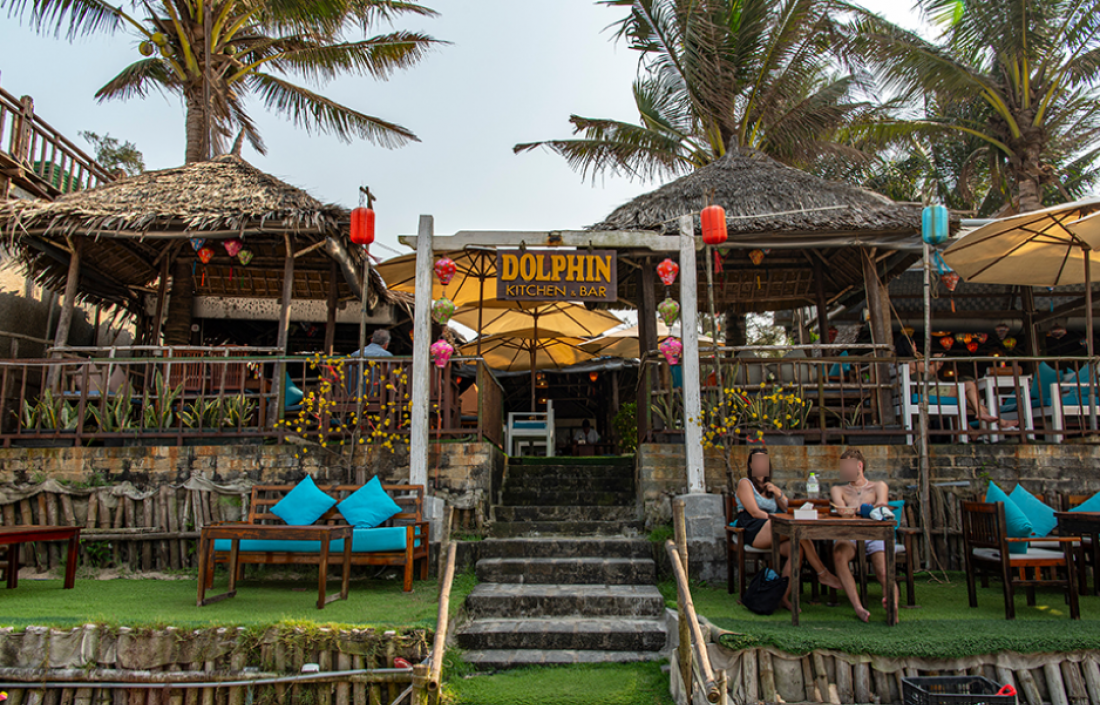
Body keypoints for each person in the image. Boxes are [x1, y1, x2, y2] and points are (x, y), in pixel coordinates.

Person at [735, 449, 842, 612]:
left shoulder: (771, 488)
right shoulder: (745, 483)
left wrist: (778, 493)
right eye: (756, 461)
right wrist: (780, 520)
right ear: (750, 465)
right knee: (797, 530)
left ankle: (783, 597)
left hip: (774, 527)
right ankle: (822, 573)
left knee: (797, 547)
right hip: (753, 528)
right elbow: (755, 512)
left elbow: (788, 508)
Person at [830, 448, 898, 622]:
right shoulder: (838, 489)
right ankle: (858, 607)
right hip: (849, 534)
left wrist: (870, 508)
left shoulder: (878, 486)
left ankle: (892, 606)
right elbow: (841, 510)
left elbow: (881, 504)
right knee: (839, 555)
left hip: (873, 535)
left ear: (859, 466)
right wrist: (848, 511)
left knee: (883, 571)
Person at [896, 334, 1017, 428]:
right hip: (932, 391)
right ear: (909, 346)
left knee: (968, 399)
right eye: (914, 345)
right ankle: (995, 420)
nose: (916, 347)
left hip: (930, 389)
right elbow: (931, 370)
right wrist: (937, 359)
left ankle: (976, 428)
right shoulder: (912, 362)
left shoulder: (902, 363)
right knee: (969, 385)